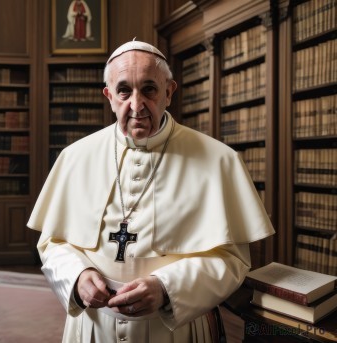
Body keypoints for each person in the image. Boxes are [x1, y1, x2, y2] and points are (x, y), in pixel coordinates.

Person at [27, 40, 275, 342]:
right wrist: (76, 277)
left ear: (169, 92)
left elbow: (232, 260)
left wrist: (167, 288)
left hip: (177, 330)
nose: (136, 104)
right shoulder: (75, 157)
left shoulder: (219, 160)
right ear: (109, 96)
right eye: (124, 91)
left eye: (149, 89)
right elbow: (53, 244)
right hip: (93, 329)